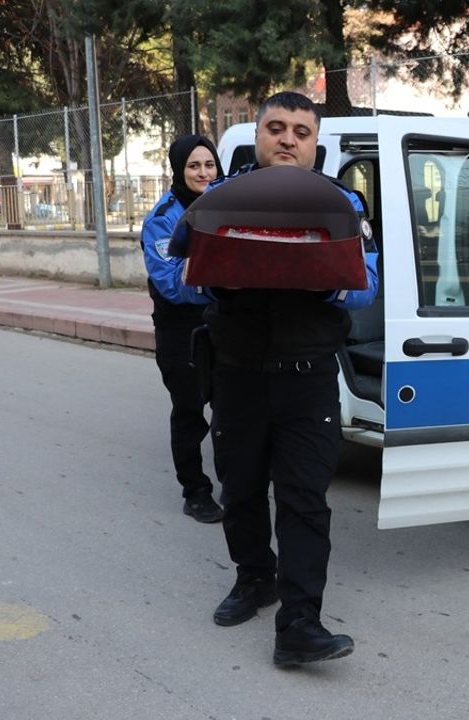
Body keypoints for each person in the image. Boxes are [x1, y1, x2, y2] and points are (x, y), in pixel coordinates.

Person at [169, 91, 379, 666]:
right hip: (236, 374)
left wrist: (325, 280)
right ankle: (254, 579)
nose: (288, 138)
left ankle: (300, 622)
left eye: (301, 131)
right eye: (277, 127)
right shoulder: (218, 200)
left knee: (305, 499)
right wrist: (214, 270)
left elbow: (368, 286)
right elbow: (180, 275)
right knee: (239, 488)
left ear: (316, 144)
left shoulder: (341, 205)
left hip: (308, 379)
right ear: (257, 134)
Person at [140, 134, 225, 524]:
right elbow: (173, 286)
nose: (203, 173)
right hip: (183, 334)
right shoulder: (162, 219)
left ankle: (236, 484)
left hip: (227, 327)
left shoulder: (231, 204)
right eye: (194, 166)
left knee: (232, 412)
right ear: (179, 170)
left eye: (209, 164)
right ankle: (196, 491)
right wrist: (227, 279)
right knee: (190, 413)